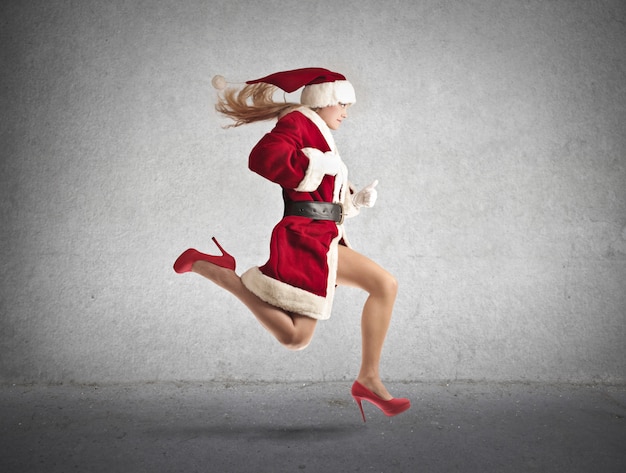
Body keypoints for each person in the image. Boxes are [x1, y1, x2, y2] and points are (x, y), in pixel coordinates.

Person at [173, 67, 410, 422]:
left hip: (321, 235)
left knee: (296, 338)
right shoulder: (298, 123)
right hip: (304, 237)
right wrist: (317, 163)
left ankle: (220, 272)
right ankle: (369, 379)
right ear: (323, 101)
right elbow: (263, 158)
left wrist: (354, 200)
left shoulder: (318, 133)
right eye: (341, 104)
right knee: (384, 284)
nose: (345, 112)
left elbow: (320, 194)